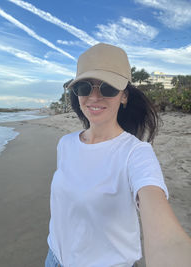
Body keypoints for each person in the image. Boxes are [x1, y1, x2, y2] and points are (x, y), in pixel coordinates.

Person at [45, 43, 191, 267]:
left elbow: (166, 237)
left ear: (124, 96)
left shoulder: (136, 154)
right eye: (85, 87)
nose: (94, 97)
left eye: (108, 88)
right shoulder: (65, 144)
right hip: (54, 258)